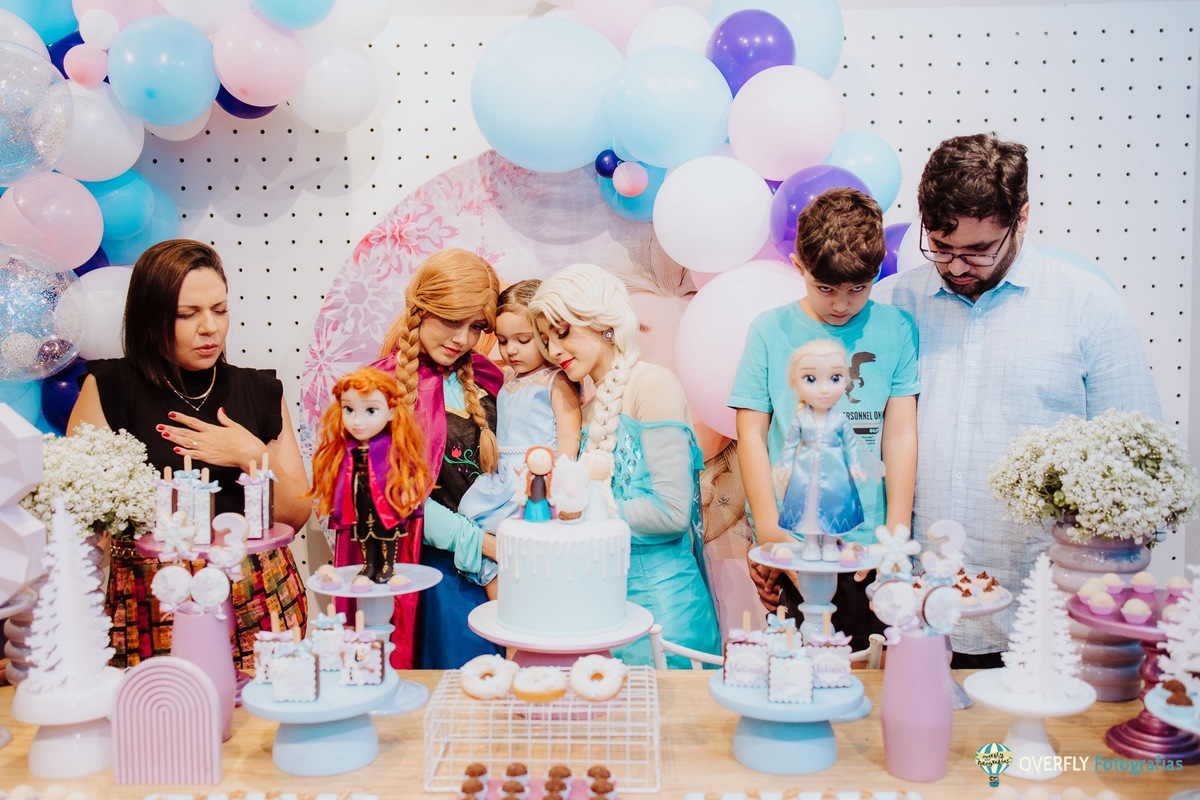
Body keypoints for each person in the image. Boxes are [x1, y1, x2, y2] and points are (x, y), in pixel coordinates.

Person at [871, 132, 1162, 667]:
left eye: (979, 250)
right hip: (904, 617)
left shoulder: (1086, 308)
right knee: (910, 750)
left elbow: (1139, 472)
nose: (957, 267)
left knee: (1004, 756)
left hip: (1039, 624)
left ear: (1021, 218)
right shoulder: (891, 306)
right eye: (940, 247)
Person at [67, 238, 311, 670]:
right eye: (187, 314)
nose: (210, 328)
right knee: (160, 724)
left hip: (260, 598)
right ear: (149, 318)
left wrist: (250, 453)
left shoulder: (259, 391)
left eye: (219, 310)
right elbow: (82, 518)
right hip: (153, 603)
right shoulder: (110, 387)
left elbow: (294, 514)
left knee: (261, 732)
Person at [728, 187, 919, 650]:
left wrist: (895, 532)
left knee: (873, 673)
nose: (841, 304)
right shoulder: (769, 331)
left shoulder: (896, 328)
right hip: (794, 546)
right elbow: (751, 434)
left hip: (868, 547)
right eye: (826, 288)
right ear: (799, 267)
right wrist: (770, 530)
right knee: (799, 671)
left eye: (858, 288)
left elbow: (899, 434)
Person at [528, 263, 719, 667]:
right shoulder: (591, 407)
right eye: (546, 340)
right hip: (607, 613)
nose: (554, 350)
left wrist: (575, 515)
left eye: (562, 332)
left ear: (605, 324)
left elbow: (670, 512)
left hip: (664, 618)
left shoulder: (652, 384)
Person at [367, 247, 505, 669]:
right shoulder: (379, 389)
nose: (462, 338)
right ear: (421, 310)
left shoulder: (486, 377)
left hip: (505, 571)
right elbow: (393, 497)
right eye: (450, 319)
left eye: (476, 325)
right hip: (434, 577)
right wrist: (482, 544)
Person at [456, 279, 583, 596]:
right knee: (478, 527)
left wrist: (556, 482)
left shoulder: (557, 380)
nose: (511, 349)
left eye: (523, 340)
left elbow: (569, 439)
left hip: (534, 484)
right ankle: (502, 628)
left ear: (545, 336)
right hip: (502, 480)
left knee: (530, 563)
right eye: (502, 340)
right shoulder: (508, 378)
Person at [308, 367, 432, 584]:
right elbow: (340, 477)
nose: (357, 421)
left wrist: (408, 492)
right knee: (364, 530)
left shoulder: (393, 446)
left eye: (370, 411)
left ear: (391, 411)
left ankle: (387, 566)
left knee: (386, 530)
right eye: (349, 409)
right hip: (359, 495)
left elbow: (409, 471)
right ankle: (369, 565)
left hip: (386, 498)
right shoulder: (347, 448)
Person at [773, 340, 886, 562]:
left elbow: (851, 444)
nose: (824, 389)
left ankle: (831, 543)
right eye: (811, 379)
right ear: (795, 383)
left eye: (834, 378)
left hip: (836, 471)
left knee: (833, 505)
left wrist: (854, 465)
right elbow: (790, 446)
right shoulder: (801, 418)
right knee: (810, 505)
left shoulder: (839, 419)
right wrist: (785, 467)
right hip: (806, 471)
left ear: (845, 380)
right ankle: (811, 544)